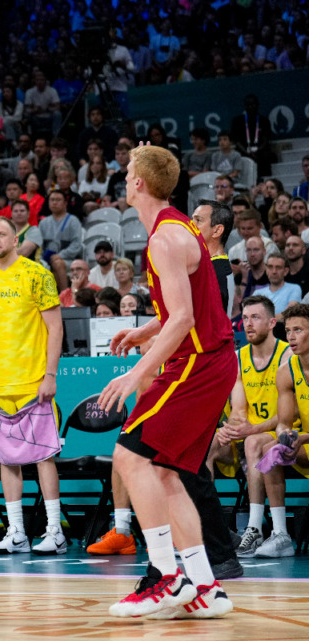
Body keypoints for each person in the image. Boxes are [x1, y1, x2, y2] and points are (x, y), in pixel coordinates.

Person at [99, 144, 235, 619]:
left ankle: (166, 577)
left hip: (197, 364)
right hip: (209, 361)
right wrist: (145, 329)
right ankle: (205, 586)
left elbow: (183, 319)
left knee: (128, 456)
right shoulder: (180, 229)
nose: (125, 177)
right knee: (163, 472)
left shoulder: (163, 239)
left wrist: (136, 373)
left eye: (129, 171)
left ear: (138, 183)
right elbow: (183, 309)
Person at [0, 217, 66, 555]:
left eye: (1, 234)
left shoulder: (37, 274)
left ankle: (54, 531)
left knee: (43, 457)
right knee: (7, 459)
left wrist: (50, 375)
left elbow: (55, 328)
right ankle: (17, 532)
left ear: (16, 239)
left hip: (33, 380)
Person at [208, 296, 292, 558]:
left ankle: (254, 529)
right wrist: (231, 429)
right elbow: (239, 409)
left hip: (277, 432)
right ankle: (209, 530)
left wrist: (250, 431)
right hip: (247, 434)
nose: (248, 324)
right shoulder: (238, 357)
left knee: (255, 442)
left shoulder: (287, 354)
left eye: (255, 317)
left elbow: (287, 415)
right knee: (204, 448)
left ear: (272, 322)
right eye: (244, 318)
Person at [254, 304, 309, 556]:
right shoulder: (287, 372)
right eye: (288, 330)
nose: (291, 337)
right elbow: (284, 421)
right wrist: (287, 437)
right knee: (271, 449)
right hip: (305, 446)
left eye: (298, 330)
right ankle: (280, 535)